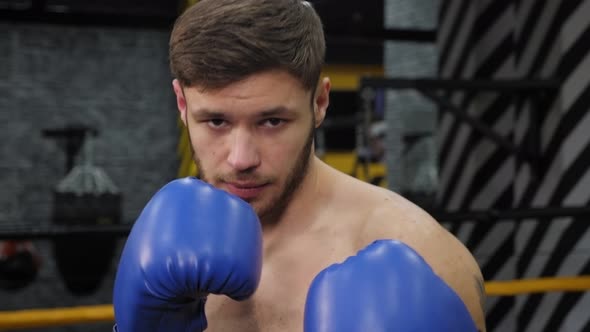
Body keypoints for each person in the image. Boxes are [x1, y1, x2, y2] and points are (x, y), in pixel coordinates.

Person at [112, 0, 487, 331]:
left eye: (272, 121)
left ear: (320, 102)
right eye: (216, 122)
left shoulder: (420, 256)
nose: (241, 158)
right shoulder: (168, 244)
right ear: (182, 104)